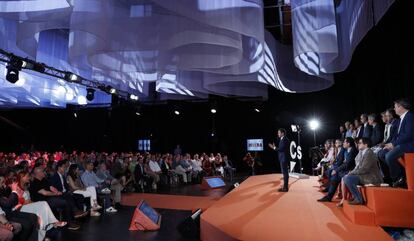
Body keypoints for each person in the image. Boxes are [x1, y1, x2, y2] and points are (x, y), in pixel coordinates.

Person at [13, 171, 66, 241]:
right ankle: (54, 222)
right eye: (27, 176)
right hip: (20, 208)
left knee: (42, 206)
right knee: (43, 204)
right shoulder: (16, 187)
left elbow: (29, 201)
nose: (29, 177)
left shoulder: (26, 186)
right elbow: (16, 201)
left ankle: (43, 234)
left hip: (27, 206)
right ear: (22, 177)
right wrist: (28, 202)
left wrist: (35, 203)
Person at [384, 98, 414, 188]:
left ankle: (398, 178)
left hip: (410, 144)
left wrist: (394, 144)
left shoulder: (410, 116)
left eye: (395, 107)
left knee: (389, 156)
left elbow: (408, 135)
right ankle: (399, 176)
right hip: (403, 143)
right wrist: (391, 144)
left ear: (401, 107)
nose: (394, 109)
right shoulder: (402, 118)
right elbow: (397, 136)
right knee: (382, 154)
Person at [343, 138, 383, 205]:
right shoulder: (361, 153)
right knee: (346, 177)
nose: (358, 144)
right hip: (364, 175)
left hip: (371, 177)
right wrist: (351, 172)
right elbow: (358, 167)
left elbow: (364, 169)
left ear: (366, 145)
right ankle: (356, 197)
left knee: (348, 178)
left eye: (360, 143)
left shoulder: (369, 153)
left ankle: (358, 199)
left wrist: (352, 173)